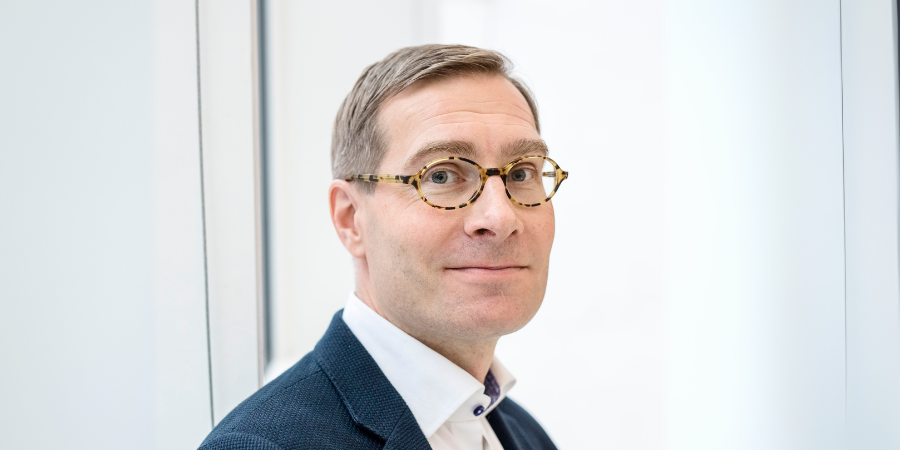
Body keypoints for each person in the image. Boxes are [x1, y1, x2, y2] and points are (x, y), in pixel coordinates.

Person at [199, 44, 567, 450]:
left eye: (521, 173)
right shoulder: (264, 444)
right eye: (441, 176)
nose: (501, 218)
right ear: (350, 218)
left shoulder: (525, 435)